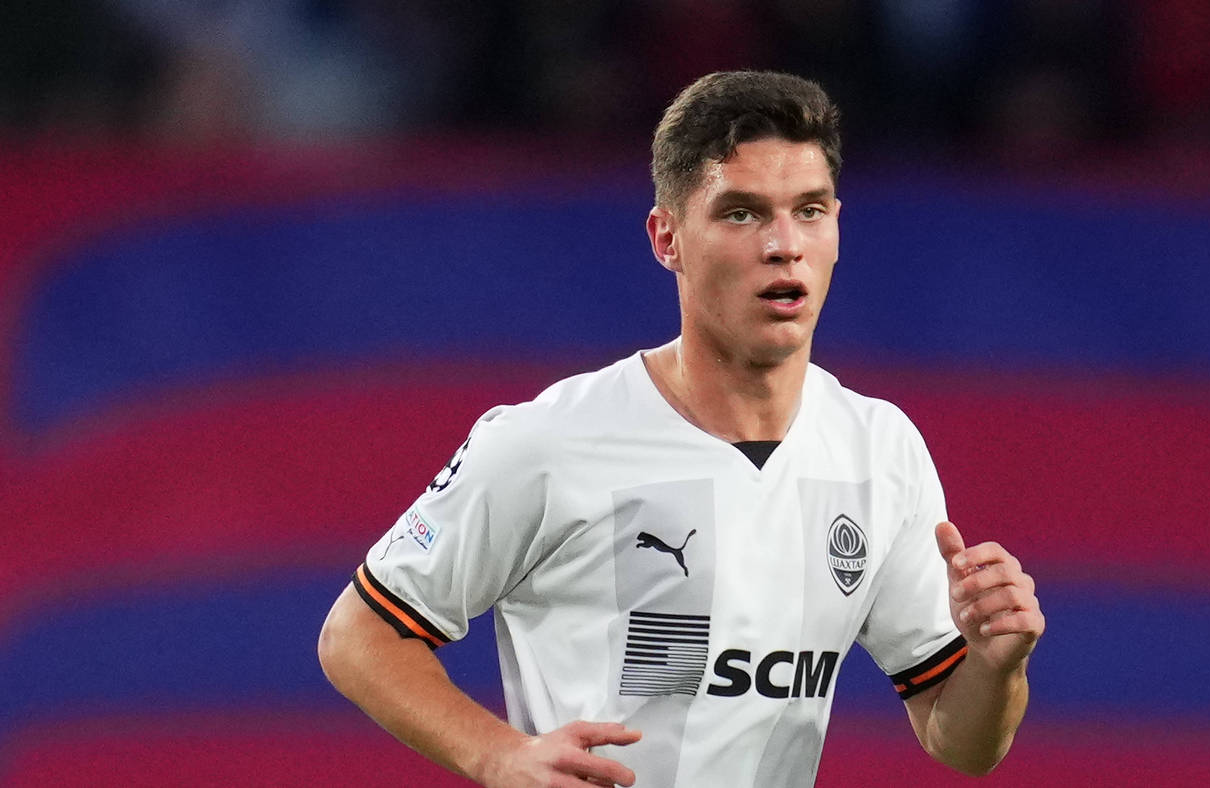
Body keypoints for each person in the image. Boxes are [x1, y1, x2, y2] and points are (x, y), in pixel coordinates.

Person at [317, 70, 1044, 788]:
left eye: (809, 210)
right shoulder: (547, 442)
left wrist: (995, 665)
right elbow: (357, 634)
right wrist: (498, 754)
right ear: (667, 238)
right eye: (742, 214)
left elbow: (961, 741)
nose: (784, 244)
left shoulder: (880, 450)